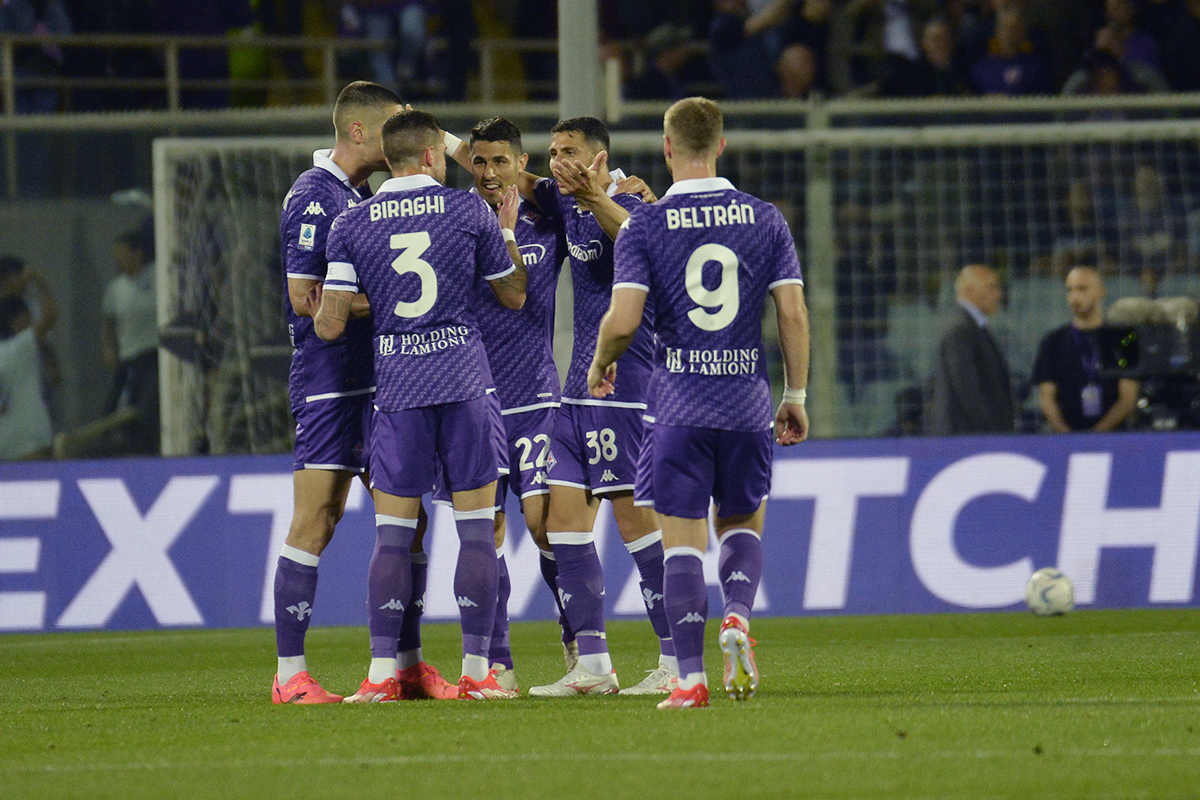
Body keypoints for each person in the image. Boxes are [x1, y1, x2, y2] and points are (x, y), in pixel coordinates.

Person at [588, 96, 809, 709]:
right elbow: (791, 311)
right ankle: (737, 617)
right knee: (739, 521)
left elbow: (625, 318)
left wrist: (602, 362)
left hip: (677, 403)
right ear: (722, 144)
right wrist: (795, 395)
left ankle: (689, 679)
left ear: (666, 148)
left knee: (681, 541)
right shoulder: (765, 218)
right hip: (744, 400)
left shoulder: (645, 225)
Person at [314, 108, 528, 702]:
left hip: (400, 390)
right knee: (477, 534)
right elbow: (513, 295)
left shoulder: (353, 223)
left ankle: (383, 674)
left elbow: (329, 325)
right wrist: (507, 231)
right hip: (463, 383)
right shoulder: (468, 210)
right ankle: (479, 672)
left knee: (392, 537)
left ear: (390, 157)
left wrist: (369, 301)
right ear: (434, 155)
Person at [272, 81, 454, 704]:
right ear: (357, 133)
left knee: (410, 520)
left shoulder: (363, 197)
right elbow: (305, 297)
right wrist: (405, 301)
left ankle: (406, 664)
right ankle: (289, 673)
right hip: (329, 383)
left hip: (384, 376)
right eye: (387, 129)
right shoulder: (314, 196)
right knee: (316, 518)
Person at [523, 117, 676, 698]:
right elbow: (505, 169)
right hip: (575, 387)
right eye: (554, 151)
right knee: (560, 521)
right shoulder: (564, 202)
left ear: (600, 158)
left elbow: (644, 244)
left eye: (571, 152)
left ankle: (672, 657)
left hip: (625, 385)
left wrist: (595, 195)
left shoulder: (638, 206)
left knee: (636, 522)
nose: (559, 160)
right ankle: (593, 665)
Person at [460, 117, 567, 695]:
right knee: (488, 528)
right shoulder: (456, 219)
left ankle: (579, 648)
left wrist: (630, 187)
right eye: (479, 161)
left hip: (534, 393)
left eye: (501, 161)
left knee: (546, 523)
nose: (489, 172)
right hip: (474, 397)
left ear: (522, 164)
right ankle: (498, 663)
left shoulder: (549, 219)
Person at [1033, 266, 1140, 433]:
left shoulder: (1124, 339)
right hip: (1066, 439)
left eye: (1082, 289)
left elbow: (1128, 397)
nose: (1074, 297)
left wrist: (1096, 435)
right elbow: (1046, 397)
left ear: (1100, 292)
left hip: (1114, 438)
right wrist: (1067, 435)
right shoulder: (1053, 342)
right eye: (1070, 290)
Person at [927, 264, 1015, 435]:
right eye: (991, 288)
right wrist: (995, 434)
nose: (998, 294)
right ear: (968, 290)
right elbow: (968, 390)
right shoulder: (960, 330)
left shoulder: (971, 327)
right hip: (968, 440)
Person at [100, 230, 159, 455]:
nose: (118, 259)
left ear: (138, 253)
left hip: (153, 356)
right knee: (112, 412)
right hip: (128, 359)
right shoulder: (116, 288)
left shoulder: (157, 276)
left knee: (146, 409)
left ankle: (146, 452)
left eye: (122, 253)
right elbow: (107, 320)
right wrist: (107, 347)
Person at [0, 265, 57, 461]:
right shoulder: (21, 347)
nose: (32, 320)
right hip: (30, 441)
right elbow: (50, 316)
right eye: (27, 316)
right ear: (14, 321)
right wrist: (40, 282)